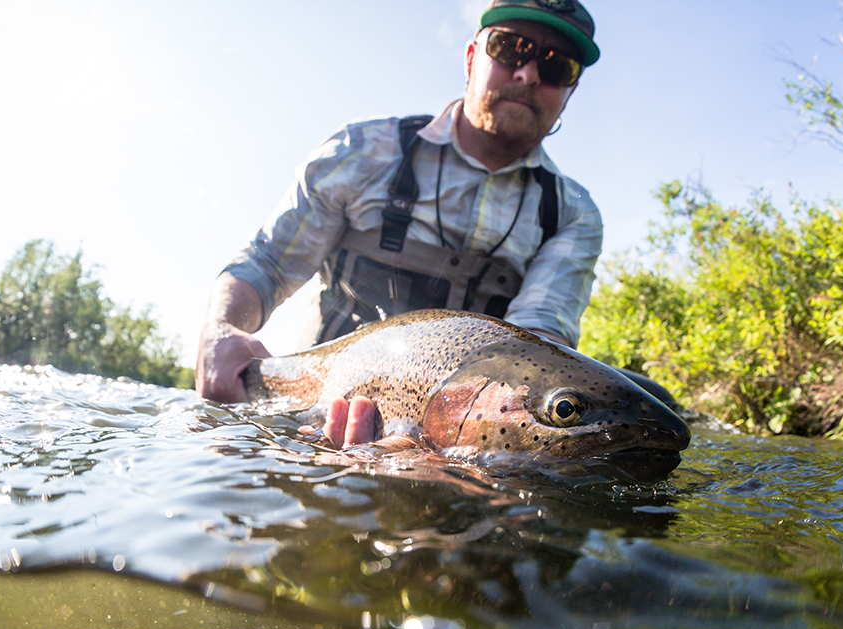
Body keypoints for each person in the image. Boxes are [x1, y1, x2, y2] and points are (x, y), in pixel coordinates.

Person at [196, 0, 603, 447]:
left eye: (557, 66)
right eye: (509, 48)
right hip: (304, 420)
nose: (527, 74)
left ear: (572, 91)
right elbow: (269, 263)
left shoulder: (572, 216)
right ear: (471, 58)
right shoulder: (362, 151)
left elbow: (539, 348)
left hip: (459, 441)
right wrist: (223, 327)